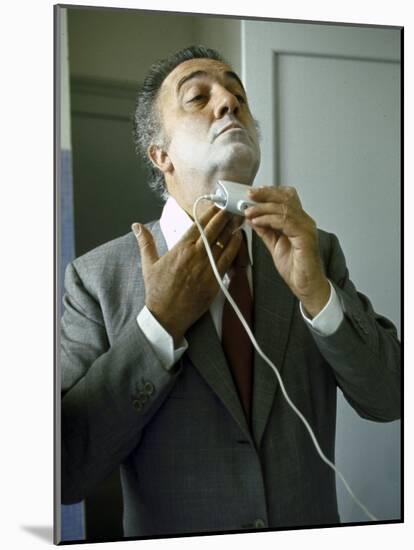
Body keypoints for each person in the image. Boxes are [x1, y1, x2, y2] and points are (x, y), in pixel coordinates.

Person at [60, 45, 400, 538]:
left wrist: (319, 296)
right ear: (161, 156)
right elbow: (65, 469)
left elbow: (390, 400)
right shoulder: (94, 279)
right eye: (198, 96)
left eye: (237, 94)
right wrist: (158, 325)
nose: (228, 102)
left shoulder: (315, 251)